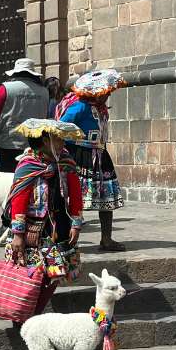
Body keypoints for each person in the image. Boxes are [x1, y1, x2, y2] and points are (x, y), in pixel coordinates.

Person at [3, 118, 84, 331]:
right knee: (31, 274)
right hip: (33, 228)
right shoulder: (28, 164)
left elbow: (76, 194)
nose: (61, 143)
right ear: (44, 140)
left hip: (59, 226)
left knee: (54, 274)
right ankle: (22, 319)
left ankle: (33, 318)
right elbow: (19, 199)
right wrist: (18, 233)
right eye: (56, 138)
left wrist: (76, 222)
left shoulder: (66, 162)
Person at [58, 69, 126, 252]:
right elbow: (61, 126)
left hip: (100, 156)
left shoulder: (101, 108)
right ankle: (68, 238)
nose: (108, 94)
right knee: (71, 197)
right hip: (79, 156)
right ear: (95, 91)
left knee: (106, 198)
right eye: (105, 91)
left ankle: (106, 239)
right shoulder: (80, 107)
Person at [0, 58, 49, 173]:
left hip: (10, 142)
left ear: (15, 72)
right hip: (36, 142)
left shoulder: (6, 88)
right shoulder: (44, 91)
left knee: (9, 177)